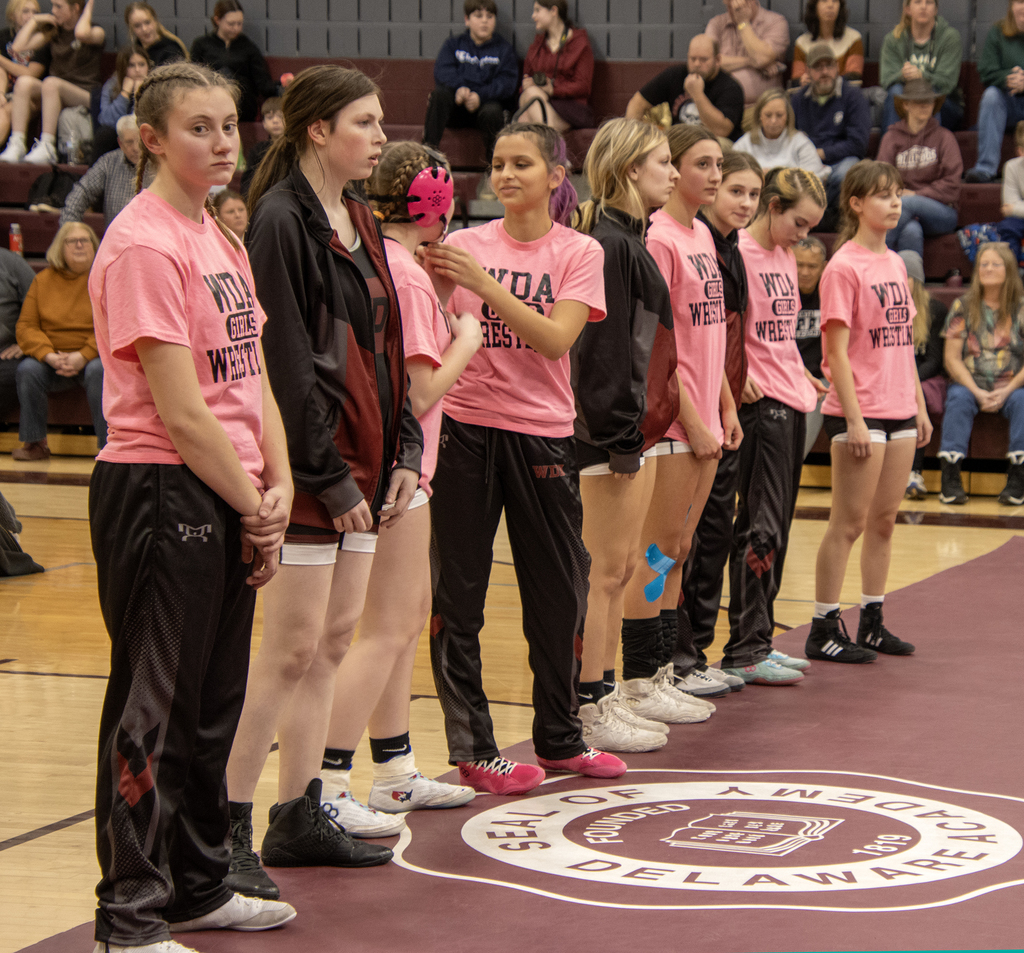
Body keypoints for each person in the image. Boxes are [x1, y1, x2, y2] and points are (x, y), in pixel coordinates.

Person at [87, 61, 297, 949]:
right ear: (151, 140)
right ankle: (130, 915)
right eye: (198, 128)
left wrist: (276, 485)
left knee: (215, 703)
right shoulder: (143, 243)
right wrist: (253, 502)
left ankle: (198, 885)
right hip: (161, 485)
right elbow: (178, 409)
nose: (221, 142)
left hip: (231, 485)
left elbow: (253, 378)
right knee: (152, 708)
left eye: (228, 125)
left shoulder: (220, 234)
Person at [224, 65, 415, 900]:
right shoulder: (278, 221)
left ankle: (299, 811)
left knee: (335, 640)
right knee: (289, 650)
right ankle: (226, 828)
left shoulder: (363, 216)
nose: (379, 136)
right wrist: (327, 474)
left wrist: (405, 443)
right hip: (314, 471)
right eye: (366, 123)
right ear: (316, 131)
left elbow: (388, 341)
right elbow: (287, 361)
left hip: (368, 463)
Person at [422, 121, 626, 795]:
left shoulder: (579, 251)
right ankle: (475, 748)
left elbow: (553, 339)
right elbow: (438, 325)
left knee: (561, 589)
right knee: (460, 594)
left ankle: (561, 735)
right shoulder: (459, 244)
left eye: (522, 163)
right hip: (465, 431)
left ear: (555, 176)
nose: (506, 174)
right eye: (498, 163)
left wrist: (482, 282)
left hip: (542, 432)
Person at [318, 141, 481, 835]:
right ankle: (323, 781)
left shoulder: (386, 260)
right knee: (384, 629)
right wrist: (468, 338)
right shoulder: (405, 273)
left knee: (405, 618)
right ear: (437, 201)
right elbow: (419, 393)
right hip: (399, 466)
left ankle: (393, 769)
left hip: (406, 467)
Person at [620, 123, 740, 721]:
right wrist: (692, 418)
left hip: (704, 417)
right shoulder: (660, 238)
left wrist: (724, 404)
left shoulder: (702, 238)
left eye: (719, 163)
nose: (714, 174)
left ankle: (663, 670)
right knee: (657, 552)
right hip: (673, 423)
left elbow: (708, 334)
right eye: (701, 162)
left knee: (679, 546)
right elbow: (662, 347)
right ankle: (638, 680)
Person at [570, 118, 682, 752]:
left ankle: (604, 691)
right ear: (632, 168)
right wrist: (620, 438)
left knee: (617, 570)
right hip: (604, 436)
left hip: (625, 431)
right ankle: (590, 703)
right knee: (607, 572)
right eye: (663, 161)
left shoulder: (626, 239)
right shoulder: (612, 246)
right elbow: (607, 352)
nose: (671, 170)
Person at [806, 159, 932, 663]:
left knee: (883, 521)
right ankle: (822, 624)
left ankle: (873, 621)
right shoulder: (843, 266)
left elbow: (905, 343)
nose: (895, 202)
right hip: (860, 409)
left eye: (898, 193)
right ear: (856, 203)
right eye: (882, 194)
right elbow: (835, 352)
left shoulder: (898, 262)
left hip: (900, 405)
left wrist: (920, 407)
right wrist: (854, 418)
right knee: (848, 522)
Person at [722, 167, 827, 685]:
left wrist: (801, 370)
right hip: (760, 407)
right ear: (772, 207)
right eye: (799, 223)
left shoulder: (785, 256)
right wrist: (731, 374)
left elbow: (777, 334)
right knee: (758, 525)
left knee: (778, 525)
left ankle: (759, 639)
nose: (803, 237)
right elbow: (720, 325)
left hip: (792, 396)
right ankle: (745, 647)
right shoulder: (738, 251)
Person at [676, 150, 764, 696]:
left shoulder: (724, 248)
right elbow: (678, 344)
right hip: (686, 418)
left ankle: (696, 652)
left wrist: (730, 398)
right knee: (676, 546)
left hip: (720, 408)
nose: (744, 202)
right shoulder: (684, 240)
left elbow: (725, 335)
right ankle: (674, 656)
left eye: (753, 194)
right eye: (736, 189)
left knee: (713, 538)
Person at [937, 242, 1024, 506]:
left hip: (1012, 385)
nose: (987, 269)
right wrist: (976, 391)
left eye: (995, 264)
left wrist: (1006, 391)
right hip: (969, 383)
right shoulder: (962, 306)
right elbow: (951, 359)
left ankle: (1017, 479)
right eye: (983, 264)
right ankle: (950, 479)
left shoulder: (1021, 308)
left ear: (1008, 270)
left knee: (1023, 402)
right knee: (958, 400)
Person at [12, 221, 105, 460]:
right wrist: (48, 355)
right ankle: (35, 444)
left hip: (92, 358)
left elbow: (113, 326)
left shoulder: (104, 279)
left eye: (85, 240)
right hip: (52, 358)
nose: (79, 245)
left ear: (95, 247)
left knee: (99, 370)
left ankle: (108, 447)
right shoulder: (42, 281)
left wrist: (83, 355)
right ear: (59, 248)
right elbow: (26, 326)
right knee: (27, 369)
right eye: (72, 241)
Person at [0, 0, 104, 165]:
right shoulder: (54, 32)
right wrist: (35, 21)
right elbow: (17, 47)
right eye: (52, 5)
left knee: (50, 83)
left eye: (58, 6)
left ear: (76, 8)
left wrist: (89, 4)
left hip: (84, 94)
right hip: (53, 92)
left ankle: (47, 146)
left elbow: (81, 34)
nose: (53, 10)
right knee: (24, 82)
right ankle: (17, 143)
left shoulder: (96, 31)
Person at [423, 0, 518, 163]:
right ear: (467, 20)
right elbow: (443, 71)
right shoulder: (453, 44)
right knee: (439, 95)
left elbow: (507, 83)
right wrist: (460, 88)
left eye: (489, 16)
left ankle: (494, 164)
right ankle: (428, 155)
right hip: (457, 109)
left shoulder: (504, 50)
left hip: (486, 112)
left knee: (493, 110)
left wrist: (479, 95)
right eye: (478, 16)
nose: (484, 21)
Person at [877, 79, 961, 261]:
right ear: (906, 105)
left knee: (906, 204)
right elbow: (881, 179)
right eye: (918, 101)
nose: (925, 106)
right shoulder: (891, 138)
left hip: (941, 212)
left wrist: (916, 194)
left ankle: (873, 257)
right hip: (901, 210)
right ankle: (912, 287)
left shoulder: (945, 137)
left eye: (929, 101)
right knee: (911, 231)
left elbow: (952, 185)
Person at [791, 43, 870, 211]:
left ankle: (821, 216)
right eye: (818, 67)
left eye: (829, 66)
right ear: (808, 71)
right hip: (806, 160)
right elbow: (790, 137)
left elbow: (858, 144)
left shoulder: (853, 96)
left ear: (837, 68)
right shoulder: (798, 100)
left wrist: (823, 153)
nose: (824, 72)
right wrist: (810, 156)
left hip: (842, 160)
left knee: (846, 175)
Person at [625, 34, 745, 142]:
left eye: (703, 59)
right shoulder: (675, 75)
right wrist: (633, 136)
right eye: (693, 59)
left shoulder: (730, 87)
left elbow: (721, 131)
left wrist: (697, 95)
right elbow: (637, 103)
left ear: (717, 60)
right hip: (679, 140)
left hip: (716, 142)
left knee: (720, 144)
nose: (697, 64)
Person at [901, 249, 948, 499]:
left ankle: (914, 473)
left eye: (905, 277)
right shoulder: (883, 306)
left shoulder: (935, 310)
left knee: (915, 400)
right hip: (893, 375)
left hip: (925, 377)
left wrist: (910, 381)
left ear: (916, 280)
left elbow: (934, 360)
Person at [879, 0, 963, 134]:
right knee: (896, 91)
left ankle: (930, 151)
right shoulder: (893, 39)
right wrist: (902, 75)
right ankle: (890, 151)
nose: (923, 7)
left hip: (944, 106)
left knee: (929, 93)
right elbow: (886, 80)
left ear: (936, 10)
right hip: (905, 102)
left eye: (929, 2)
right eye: (918, 2)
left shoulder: (950, 37)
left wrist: (921, 76)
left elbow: (947, 83)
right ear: (908, 9)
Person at [190, 0, 279, 123]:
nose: (236, 28)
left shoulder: (248, 47)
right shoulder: (202, 45)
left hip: (242, 107)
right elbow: (193, 78)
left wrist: (281, 85)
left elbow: (262, 83)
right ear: (217, 20)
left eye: (239, 24)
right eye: (231, 24)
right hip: (211, 102)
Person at [968, 0, 1024, 183]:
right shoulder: (998, 32)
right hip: (1007, 104)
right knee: (991, 96)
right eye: (1020, 2)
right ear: (1011, 6)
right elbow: (986, 72)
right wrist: (1008, 78)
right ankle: (985, 168)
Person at [516, 0, 594, 132]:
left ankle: (550, 142)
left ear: (553, 11)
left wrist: (552, 89)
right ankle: (552, 142)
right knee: (528, 99)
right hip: (539, 100)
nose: (533, 16)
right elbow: (525, 81)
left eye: (537, 10)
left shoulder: (580, 44)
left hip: (570, 108)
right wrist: (529, 85)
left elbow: (583, 86)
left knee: (524, 117)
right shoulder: (537, 46)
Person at [60, 114, 146, 226]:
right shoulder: (108, 162)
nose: (135, 148)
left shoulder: (161, 164)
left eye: (139, 141)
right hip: (117, 239)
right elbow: (82, 192)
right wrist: (70, 230)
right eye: (129, 142)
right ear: (120, 143)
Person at [706, 0, 789, 108]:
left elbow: (760, 58)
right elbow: (708, 63)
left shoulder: (776, 22)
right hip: (722, 106)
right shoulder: (716, 23)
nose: (732, 11)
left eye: (738, 7)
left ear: (751, 2)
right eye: (729, 6)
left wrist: (743, 23)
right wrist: (749, 61)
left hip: (762, 107)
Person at [734, 89, 829, 182]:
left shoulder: (801, 142)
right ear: (759, 116)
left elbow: (814, 179)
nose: (773, 121)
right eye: (768, 115)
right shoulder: (745, 143)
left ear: (787, 116)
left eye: (779, 115)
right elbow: (732, 175)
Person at [793, 235, 829, 457]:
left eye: (812, 266)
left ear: (824, 267)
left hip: (819, 381)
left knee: (797, 451)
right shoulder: (779, 292)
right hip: (784, 375)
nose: (805, 272)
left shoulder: (832, 294)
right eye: (799, 264)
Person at [92, 43, 149, 159]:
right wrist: (124, 94)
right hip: (119, 137)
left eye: (142, 64)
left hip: (146, 133)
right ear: (123, 68)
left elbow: (144, 121)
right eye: (131, 65)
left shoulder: (156, 86)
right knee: (104, 135)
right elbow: (106, 121)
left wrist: (139, 96)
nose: (137, 70)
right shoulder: (111, 85)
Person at [0, 0, 43, 147]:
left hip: (30, 96)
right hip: (6, 91)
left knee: (4, 112)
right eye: (25, 11)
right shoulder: (4, 36)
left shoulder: (42, 38)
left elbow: (31, 74)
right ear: (12, 15)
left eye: (35, 12)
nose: (31, 16)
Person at [0, 246, 36, 423]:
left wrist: (27, 343)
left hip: (6, 353)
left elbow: (40, 306)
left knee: (15, 372)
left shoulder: (11, 263)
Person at [791, 0, 864, 86]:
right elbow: (796, 79)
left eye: (835, 1)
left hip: (844, 95)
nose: (830, 5)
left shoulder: (854, 38)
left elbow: (854, 76)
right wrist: (802, 81)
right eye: (824, 1)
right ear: (815, 6)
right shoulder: (801, 42)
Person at [123, 1, 189, 66]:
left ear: (155, 21)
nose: (144, 29)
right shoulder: (133, 52)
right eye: (137, 25)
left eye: (147, 22)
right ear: (131, 29)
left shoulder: (171, 50)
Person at [240, 95, 282, 195]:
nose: (275, 121)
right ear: (264, 123)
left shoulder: (297, 148)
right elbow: (248, 182)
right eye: (270, 117)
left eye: (280, 116)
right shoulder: (257, 150)